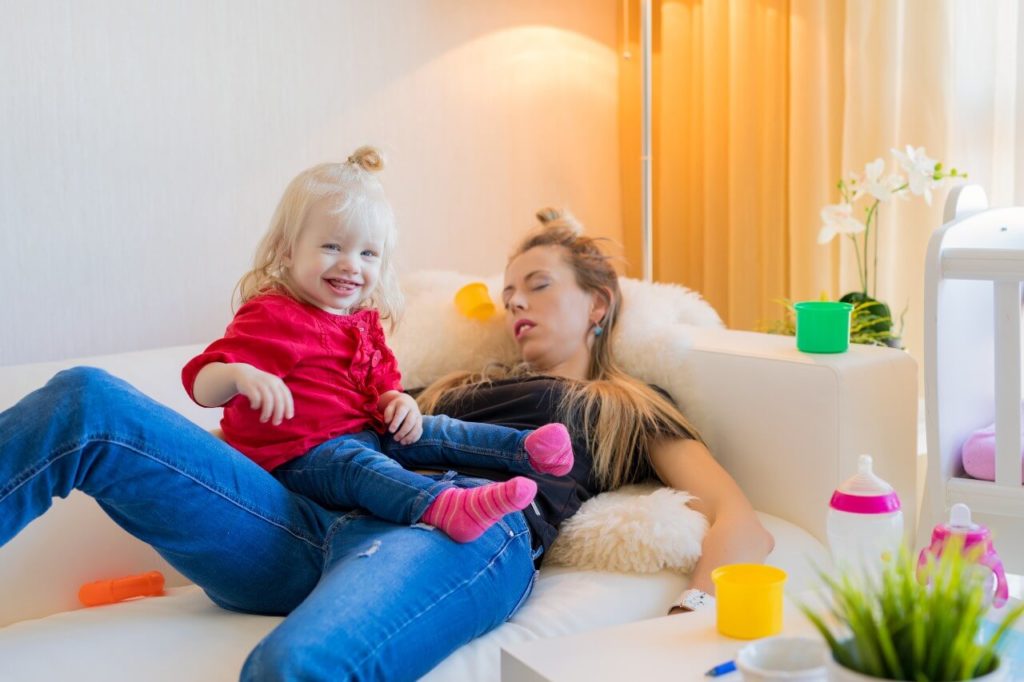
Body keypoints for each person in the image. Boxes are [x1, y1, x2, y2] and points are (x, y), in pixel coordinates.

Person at [0, 206, 772, 681]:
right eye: (507, 293)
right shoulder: (445, 384)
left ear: (599, 303)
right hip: (311, 515)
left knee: (293, 667)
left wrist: (693, 615)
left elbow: (740, 518)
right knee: (87, 401)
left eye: (537, 284)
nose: (515, 304)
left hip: (458, 530)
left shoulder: (624, 404)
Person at [182, 146, 573, 543]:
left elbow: (382, 385)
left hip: (361, 433)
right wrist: (238, 375)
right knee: (356, 465)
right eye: (332, 246)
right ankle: (444, 505)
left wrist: (397, 403)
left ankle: (526, 450)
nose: (352, 264)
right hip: (297, 459)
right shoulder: (273, 314)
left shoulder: (363, 323)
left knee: (430, 429)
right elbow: (201, 383)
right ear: (287, 249)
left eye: (368, 253)